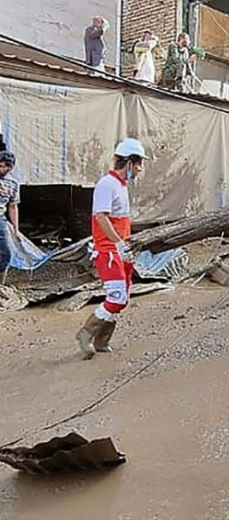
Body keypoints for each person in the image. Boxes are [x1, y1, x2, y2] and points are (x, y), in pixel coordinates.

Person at [76, 138, 147, 359]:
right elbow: (101, 217)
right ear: (129, 162)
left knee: (122, 298)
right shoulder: (106, 184)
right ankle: (86, 332)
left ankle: (102, 339)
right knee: (116, 296)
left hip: (121, 249)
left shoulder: (121, 186)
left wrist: (125, 245)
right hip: (108, 249)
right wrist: (117, 242)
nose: (139, 169)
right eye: (139, 164)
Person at [0, 151, 20, 281]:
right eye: (0, 166)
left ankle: (1, 285)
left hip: (0, 219)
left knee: (5, 253)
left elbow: (13, 207)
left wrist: (16, 229)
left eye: (6, 166)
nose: (2, 169)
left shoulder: (13, 183)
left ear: (11, 168)